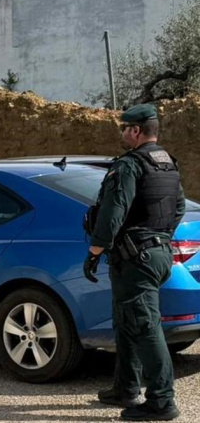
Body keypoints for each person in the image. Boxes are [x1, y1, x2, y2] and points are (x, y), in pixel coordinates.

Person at [84, 103, 185, 422]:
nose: (122, 132)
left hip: (135, 257)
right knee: (127, 320)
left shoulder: (129, 165)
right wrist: (158, 236)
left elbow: (113, 211)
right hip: (157, 252)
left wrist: (95, 250)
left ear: (136, 131)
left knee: (144, 325)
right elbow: (179, 207)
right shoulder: (167, 163)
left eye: (124, 128)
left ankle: (162, 401)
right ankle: (126, 388)